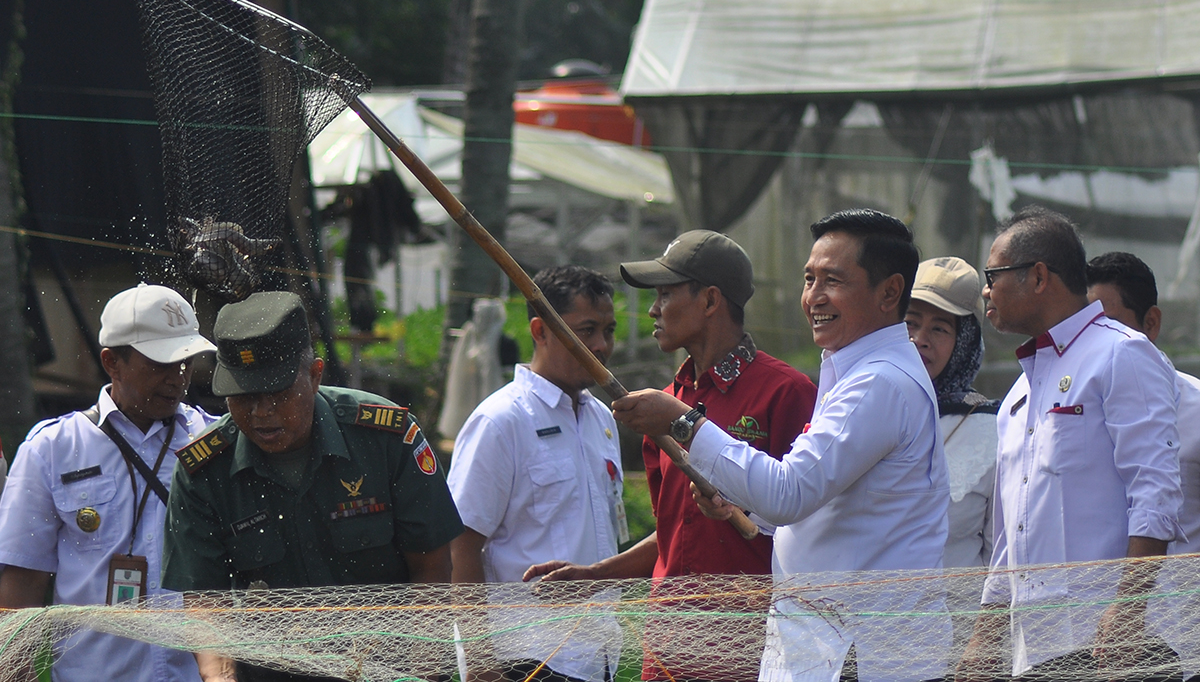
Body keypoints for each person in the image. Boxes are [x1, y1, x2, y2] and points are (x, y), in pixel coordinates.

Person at [613, 209, 950, 682]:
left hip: (856, 654)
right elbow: (818, 508)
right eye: (809, 279)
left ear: (889, 292)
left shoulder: (876, 383)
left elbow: (789, 493)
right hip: (816, 646)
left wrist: (684, 423)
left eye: (833, 280)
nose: (814, 297)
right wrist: (741, 507)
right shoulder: (853, 373)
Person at [525, 231, 816, 682]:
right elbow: (673, 534)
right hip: (667, 649)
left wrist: (745, 510)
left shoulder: (786, 393)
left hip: (750, 648)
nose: (653, 311)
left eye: (664, 294)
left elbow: (812, 524)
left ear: (710, 300)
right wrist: (595, 576)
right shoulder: (663, 403)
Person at [161, 291, 463, 682]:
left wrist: (423, 673)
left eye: (278, 393)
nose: (261, 412)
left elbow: (432, 571)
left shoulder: (387, 439)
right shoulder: (203, 471)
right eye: (244, 397)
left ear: (316, 374)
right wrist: (221, 677)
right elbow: (205, 601)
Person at [957, 207, 1183, 682]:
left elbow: (1156, 492)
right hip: (1035, 648)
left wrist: (1128, 611)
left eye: (992, 275)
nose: (985, 290)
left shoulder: (1121, 353)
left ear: (1038, 276)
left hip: (1109, 645)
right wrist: (986, 634)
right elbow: (1010, 528)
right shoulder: (1021, 390)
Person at [0, 283, 218, 682]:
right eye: (160, 363)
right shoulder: (52, 449)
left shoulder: (215, 440)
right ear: (112, 362)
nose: (177, 378)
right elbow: (19, 593)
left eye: (185, 362)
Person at [447, 266, 623, 682]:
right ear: (540, 331)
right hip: (528, 660)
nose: (601, 346)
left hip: (598, 658)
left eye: (609, 331)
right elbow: (461, 546)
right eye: (586, 330)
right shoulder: (501, 420)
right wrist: (480, 666)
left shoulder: (602, 419)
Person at [1086, 251, 1200, 680]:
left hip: (1180, 645)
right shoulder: (1067, 419)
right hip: (1086, 641)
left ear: (1151, 323)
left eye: (1107, 326)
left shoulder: (1196, 407)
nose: (1094, 342)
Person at [905, 257, 1000, 569]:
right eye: (910, 323)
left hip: (958, 614)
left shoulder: (991, 430)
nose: (920, 339)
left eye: (940, 328)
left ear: (964, 342)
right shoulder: (860, 406)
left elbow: (1000, 551)